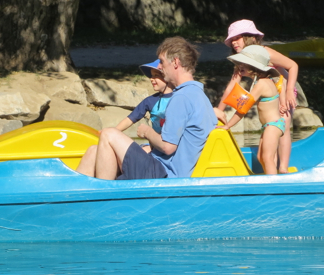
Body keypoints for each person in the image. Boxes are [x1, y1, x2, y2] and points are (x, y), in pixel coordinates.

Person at [76, 37, 217, 180]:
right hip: (160, 166)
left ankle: (104, 194)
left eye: (161, 61)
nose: (160, 67)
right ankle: (74, 197)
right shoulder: (199, 95)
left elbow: (168, 147)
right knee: (95, 151)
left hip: (163, 173)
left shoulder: (181, 98)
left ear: (175, 62)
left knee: (108, 134)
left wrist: (147, 132)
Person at [216, 19, 298, 173]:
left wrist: (287, 94)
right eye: (231, 40)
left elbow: (292, 66)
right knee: (265, 155)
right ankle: (271, 172)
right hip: (270, 96)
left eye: (237, 38)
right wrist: (219, 111)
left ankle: (283, 169)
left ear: (250, 37)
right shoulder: (244, 63)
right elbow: (232, 87)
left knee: (284, 126)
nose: (234, 42)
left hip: (284, 88)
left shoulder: (264, 54)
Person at [77, 59, 173, 175]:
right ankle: (75, 188)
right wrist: (113, 132)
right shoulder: (151, 101)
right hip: (153, 145)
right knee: (93, 149)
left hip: (161, 150)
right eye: (151, 76)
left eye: (156, 76)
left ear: (167, 76)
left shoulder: (180, 99)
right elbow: (131, 118)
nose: (151, 79)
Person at [220, 45, 284, 175]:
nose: (239, 66)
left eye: (243, 64)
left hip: (273, 125)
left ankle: (273, 187)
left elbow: (243, 108)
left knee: (267, 158)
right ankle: (270, 179)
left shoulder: (262, 84)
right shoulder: (259, 82)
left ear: (254, 66)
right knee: (261, 157)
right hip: (269, 126)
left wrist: (228, 126)